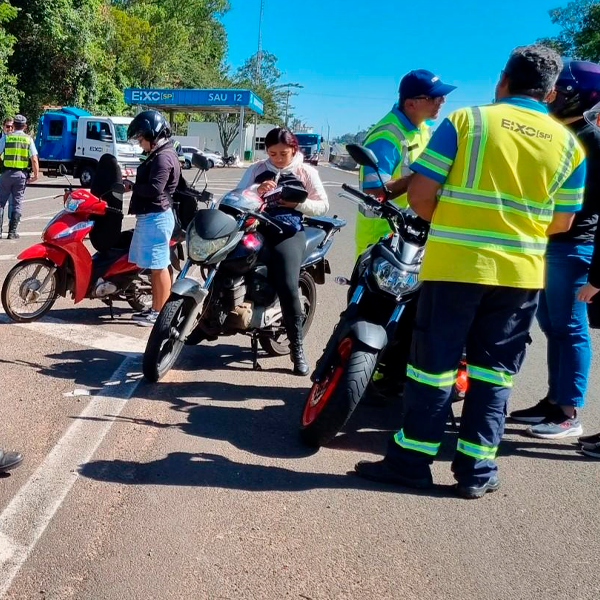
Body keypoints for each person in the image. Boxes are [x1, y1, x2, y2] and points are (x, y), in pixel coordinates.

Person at [354, 44, 586, 499]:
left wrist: (457, 221)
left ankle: (411, 461)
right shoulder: (569, 146)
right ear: (552, 92)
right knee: (494, 373)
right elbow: (562, 222)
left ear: (502, 80)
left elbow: (420, 195)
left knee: (432, 368)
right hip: (519, 276)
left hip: (456, 266)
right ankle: (477, 469)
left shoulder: (467, 122)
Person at [509, 61, 600, 439]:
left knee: (571, 328)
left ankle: (568, 413)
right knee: (552, 325)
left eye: (561, 91)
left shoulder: (591, 138)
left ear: (581, 95)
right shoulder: (561, 132)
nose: (553, 97)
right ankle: (553, 400)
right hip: (551, 242)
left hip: (575, 245)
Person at [237, 127, 329, 376]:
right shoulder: (256, 169)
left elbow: (323, 205)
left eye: (283, 153)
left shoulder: (305, 171)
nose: (277, 159)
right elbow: (236, 195)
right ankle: (206, 323)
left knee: (288, 284)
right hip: (255, 228)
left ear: (294, 150)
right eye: (272, 153)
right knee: (226, 262)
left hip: (288, 232)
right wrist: (256, 191)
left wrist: (299, 203)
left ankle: (296, 347)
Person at [356, 69, 456, 257]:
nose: (442, 101)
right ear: (411, 104)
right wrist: (423, 176)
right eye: (434, 97)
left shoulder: (423, 128)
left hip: (411, 234)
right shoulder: (385, 137)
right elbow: (375, 192)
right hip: (381, 238)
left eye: (442, 96)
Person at [124, 110, 180, 327]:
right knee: (155, 268)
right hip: (152, 216)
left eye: (141, 138)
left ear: (152, 133)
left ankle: (160, 312)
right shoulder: (159, 154)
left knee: (159, 266)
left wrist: (133, 186)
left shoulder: (164, 157)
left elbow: (156, 189)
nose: (139, 143)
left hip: (157, 216)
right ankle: (156, 307)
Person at [0, 114, 39, 239]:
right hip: (21, 175)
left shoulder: (6, 138)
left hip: (6, 174)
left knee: (1, 203)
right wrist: (36, 175)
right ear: (25, 126)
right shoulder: (28, 139)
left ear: (14, 125)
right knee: (17, 203)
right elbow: (34, 159)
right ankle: (12, 232)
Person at [0, 118, 14, 237]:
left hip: (14, 175)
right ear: (3, 126)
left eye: (11, 127)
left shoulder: (16, 140)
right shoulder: (2, 139)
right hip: (2, 174)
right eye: (7, 126)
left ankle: (11, 230)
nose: (9, 129)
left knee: (13, 203)